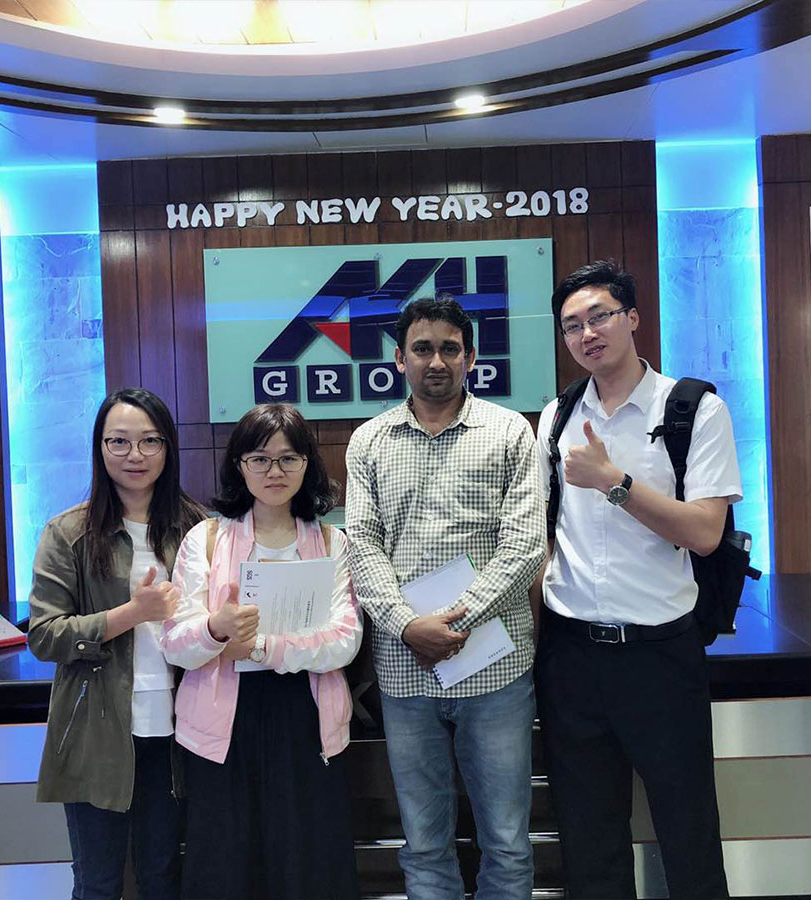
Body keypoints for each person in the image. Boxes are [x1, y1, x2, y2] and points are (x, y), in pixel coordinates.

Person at [533, 261, 742, 899]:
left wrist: (614, 483)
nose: (587, 334)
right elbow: (549, 527)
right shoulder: (557, 415)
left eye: (599, 316)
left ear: (632, 318)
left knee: (687, 824)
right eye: (572, 325)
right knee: (588, 834)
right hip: (571, 653)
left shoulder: (693, 408)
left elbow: (705, 532)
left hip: (659, 653)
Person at [345, 296, 545, 900]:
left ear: (471, 357)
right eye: (423, 348)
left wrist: (454, 622)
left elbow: (525, 546)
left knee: (506, 841)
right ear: (399, 358)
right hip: (405, 673)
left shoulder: (509, 431)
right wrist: (409, 626)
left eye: (450, 349)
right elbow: (362, 545)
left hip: (495, 670)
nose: (436, 361)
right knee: (425, 843)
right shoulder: (369, 441)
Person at [162, 403, 362, 900]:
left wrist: (262, 647)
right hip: (222, 722)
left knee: (307, 862)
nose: (275, 471)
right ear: (239, 465)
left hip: (306, 716)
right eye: (260, 459)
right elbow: (175, 642)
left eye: (288, 458)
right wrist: (215, 628)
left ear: (307, 464)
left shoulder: (332, 542)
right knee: (225, 864)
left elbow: (344, 640)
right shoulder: (206, 539)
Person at [28, 387, 205, 900]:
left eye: (150, 441)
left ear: (168, 448)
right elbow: (44, 635)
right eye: (119, 441)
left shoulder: (198, 529)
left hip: (178, 730)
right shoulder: (68, 532)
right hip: (96, 730)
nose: (135, 455)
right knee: (98, 883)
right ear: (100, 448)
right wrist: (132, 614)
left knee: (163, 877)